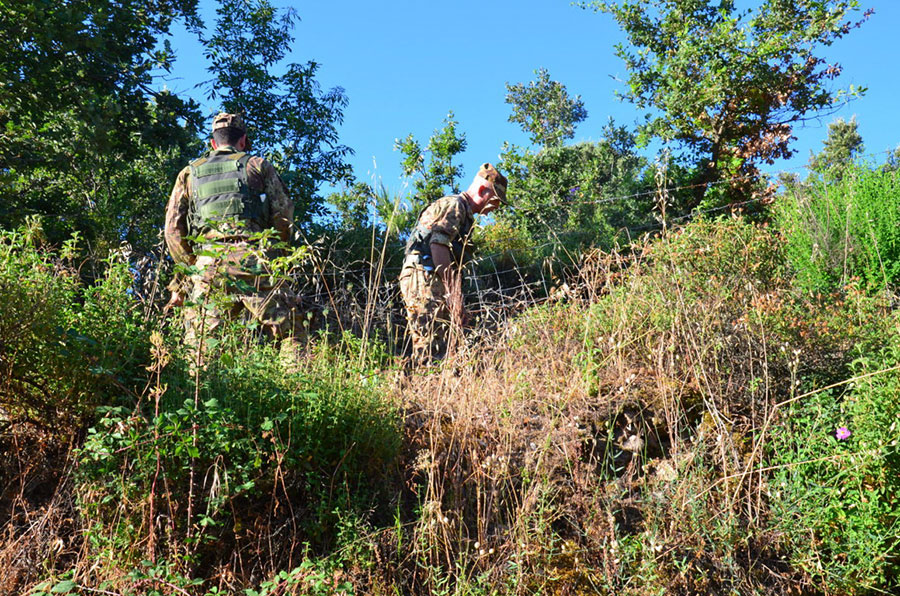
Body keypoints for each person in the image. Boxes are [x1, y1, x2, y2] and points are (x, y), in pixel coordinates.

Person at [164, 112, 300, 363]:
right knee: (291, 335)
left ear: (213, 143)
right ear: (243, 140)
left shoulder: (189, 173)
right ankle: (299, 394)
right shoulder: (258, 165)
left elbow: (172, 230)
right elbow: (283, 215)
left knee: (200, 349)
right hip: (256, 260)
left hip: (209, 265)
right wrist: (277, 255)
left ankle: (198, 398)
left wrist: (192, 266)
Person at [399, 163, 508, 364]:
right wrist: (454, 296)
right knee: (430, 342)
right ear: (483, 190)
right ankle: (426, 386)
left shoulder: (463, 213)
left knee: (442, 340)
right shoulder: (455, 205)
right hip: (425, 276)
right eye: (495, 199)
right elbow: (438, 247)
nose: (496, 207)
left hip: (429, 276)